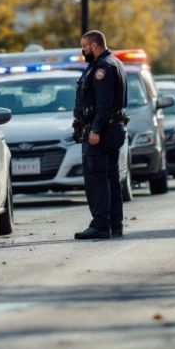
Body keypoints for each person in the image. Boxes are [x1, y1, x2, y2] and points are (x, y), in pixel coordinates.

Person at [72, 30, 128, 240]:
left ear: (95, 45)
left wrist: (95, 129)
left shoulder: (102, 68)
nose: (83, 50)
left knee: (96, 179)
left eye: (84, 46)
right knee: (111, 178)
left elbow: (103, 102)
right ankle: (115, 224)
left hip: (102, 132)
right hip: (112, 129)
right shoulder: (115, 63)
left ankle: (101, 225)